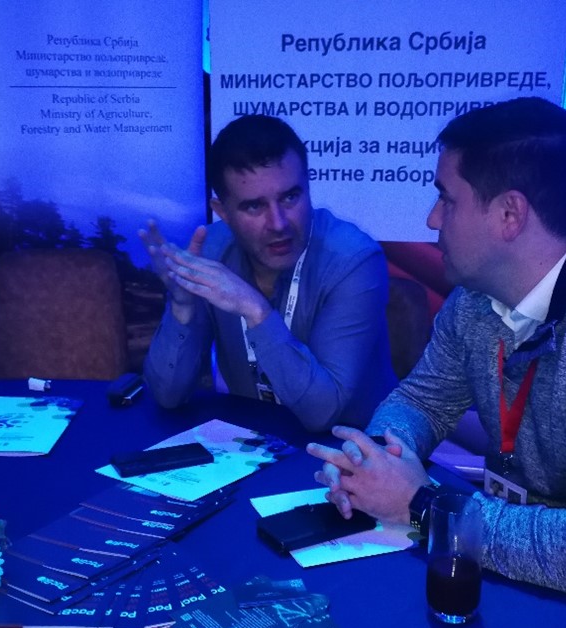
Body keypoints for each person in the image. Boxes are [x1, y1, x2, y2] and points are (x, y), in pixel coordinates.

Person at [307, 98, 566, 614]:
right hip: (512, 553)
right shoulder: (475, 298)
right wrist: (373, 464)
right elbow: (422, 401)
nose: (432, 218)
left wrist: (425, 505)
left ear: (509, 215)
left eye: (446, 199)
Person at [141, 114, 396, 432]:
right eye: (254, 206)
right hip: (251, 444)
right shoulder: (210, 252)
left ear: (308, 188)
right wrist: (182, 307)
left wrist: (256, 311)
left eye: (290, 197)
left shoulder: (354, 260)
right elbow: (167, 396)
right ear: (223, 213)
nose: (278, 223)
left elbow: (322, 413)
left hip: (352, 448)